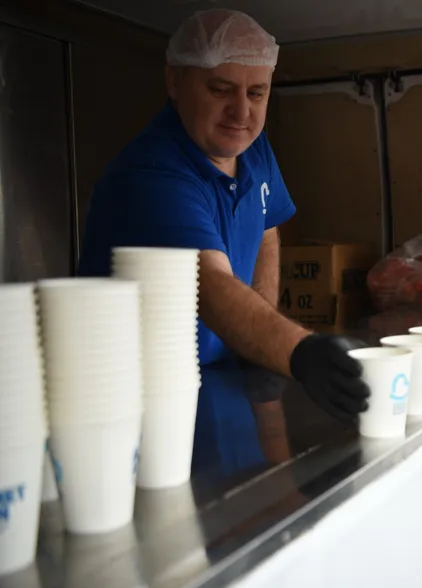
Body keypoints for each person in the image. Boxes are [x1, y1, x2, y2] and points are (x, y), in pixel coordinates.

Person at [78, 9, 369, 421]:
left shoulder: (253, 146)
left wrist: (261, 342)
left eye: (257, 94)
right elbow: (208, 283)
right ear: (174, 81)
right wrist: (299, 350)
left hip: (221, 379)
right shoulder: (152, 172)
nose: (241, 113)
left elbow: (267, 230)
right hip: (143, 400)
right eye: (220, 89)